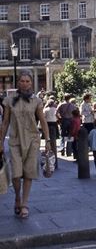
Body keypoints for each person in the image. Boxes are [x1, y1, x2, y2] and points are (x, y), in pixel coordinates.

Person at [0, 71, 51, 219]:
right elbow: (5, 122)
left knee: (28, 173)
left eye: (27, 81)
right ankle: (17, 196)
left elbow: (43, 121)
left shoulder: (37, 101)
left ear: (31, 83)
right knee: (16, 174)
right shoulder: (9, 100)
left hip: (32, 140)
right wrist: (1, 141)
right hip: (15, 140)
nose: (25, 83)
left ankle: (24, 203)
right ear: (18, 83)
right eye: (22, 81)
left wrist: (47, 140)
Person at [43, 98, 59, 169]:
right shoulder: (55, 109)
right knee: (54, 143)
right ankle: (55, 163)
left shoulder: (45, 110)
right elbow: (58, 116)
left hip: (47, 125)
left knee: (47, 142)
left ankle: (47, 162)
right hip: (54, 125)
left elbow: (43, 118)